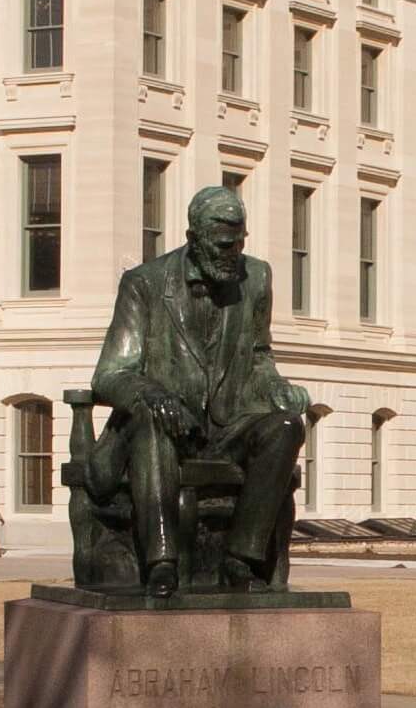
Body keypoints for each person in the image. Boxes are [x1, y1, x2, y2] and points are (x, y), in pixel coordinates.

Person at [91, 184, 306, 596]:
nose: (233, 254)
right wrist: (153, 396)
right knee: (152, 424)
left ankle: (241, 559)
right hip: (163, 429)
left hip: (227, 426)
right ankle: (162, 562)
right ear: (194, 239)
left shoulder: (257, 277)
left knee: (285, 426)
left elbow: (259, 355)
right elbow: (110, 374)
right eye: (224, 245)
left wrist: (277, 385)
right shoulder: (144, 284)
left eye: (239, 243)